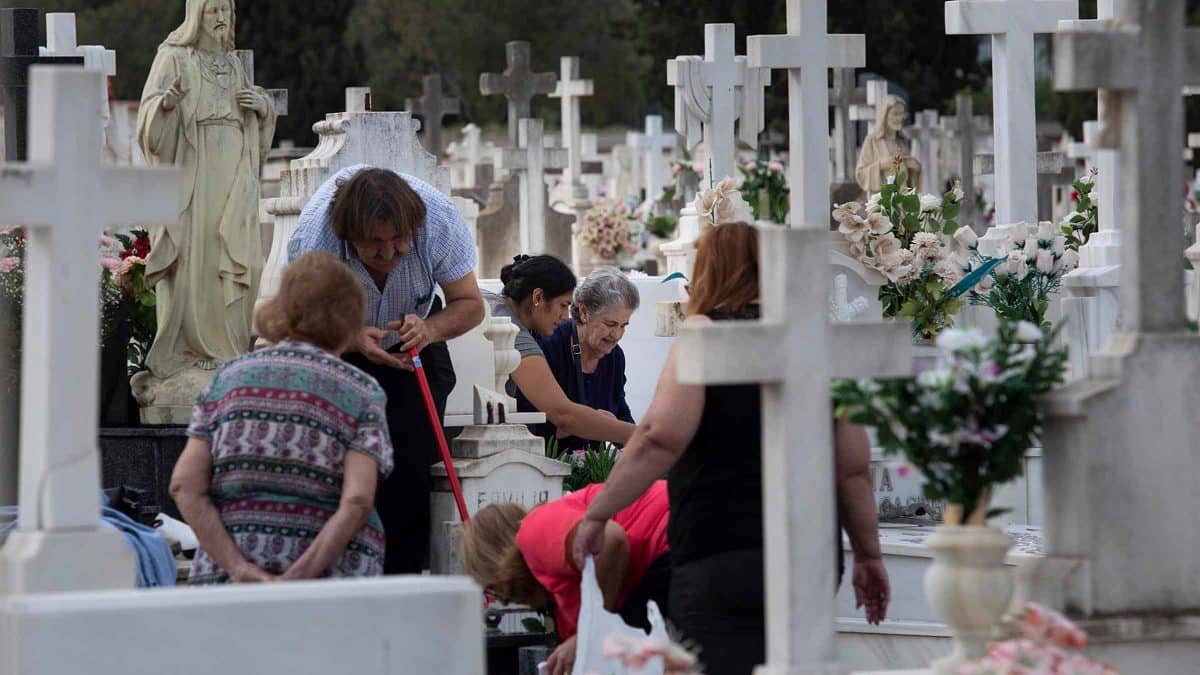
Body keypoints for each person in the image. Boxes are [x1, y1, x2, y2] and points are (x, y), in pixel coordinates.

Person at [571, 223, 890, 675]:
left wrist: (598, 513)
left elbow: (659, 437)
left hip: (720, 544)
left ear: (709, 271)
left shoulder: (705, 333)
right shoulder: (815, 336)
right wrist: (870, 556)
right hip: (809, 553)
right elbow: (853, 468)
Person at [287, 165, 484, 574]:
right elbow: (299, 314)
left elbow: (470, 304)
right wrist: (351, 334)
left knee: (411, 471)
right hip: (339, 341)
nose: (390, 253)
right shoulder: (315, 238)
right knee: (341, 469)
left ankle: (404, 577)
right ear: (348, 235)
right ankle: (337, 574)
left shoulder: (440, 220)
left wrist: (429, 327)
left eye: (400, 241)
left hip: (416, 345)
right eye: (375, 244)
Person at [170, 251, 393, 584]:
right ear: (352, 318)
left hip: (228, 589)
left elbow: (183, 486)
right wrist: (296, 579)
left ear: (283, 307)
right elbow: (358, 499)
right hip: (331, 592)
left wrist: (239, 568)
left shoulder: (227, 378)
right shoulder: (361, 391)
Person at [135, 0, 277, 387]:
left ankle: (229, 349)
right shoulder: (174, 57)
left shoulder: (233, 64)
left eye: (226, 11)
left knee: (233, 256)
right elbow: (148, 122)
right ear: (196, 15)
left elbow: (258, 123)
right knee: (197, 258)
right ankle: (193, 350)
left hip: (234, 170)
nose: (221, 18)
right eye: (213, 10)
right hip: (193, 174)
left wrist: (262, 108)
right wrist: (165, 105)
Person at [460, 481, 670, 675]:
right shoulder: (559, 596)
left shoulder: (534, 532)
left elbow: (610, 540)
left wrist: (589, 634)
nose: (502, 600)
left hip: (673, 541)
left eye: (493, 588)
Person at [486, 255, 635, 445]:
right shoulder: (518, 335)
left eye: (623, 326)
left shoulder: (490, 305)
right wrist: (643, 437)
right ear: (538, 297)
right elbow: (563, 415)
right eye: (563, 305)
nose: (566, 316)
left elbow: (619, 409)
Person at [854, 93, 921, 194]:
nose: (899, 118)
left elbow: (907, 178)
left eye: (902, 113)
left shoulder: (901, 141)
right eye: (895, 113)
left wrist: (914, 169)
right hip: (882, 201)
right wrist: (881, 165)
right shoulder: (872, 140)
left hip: (902, 201)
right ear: (885, 115)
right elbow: (861, 174)